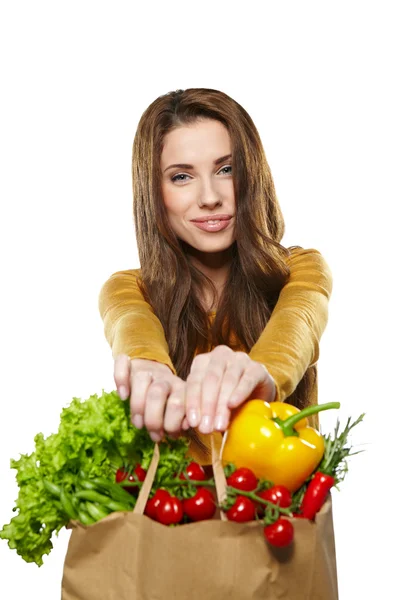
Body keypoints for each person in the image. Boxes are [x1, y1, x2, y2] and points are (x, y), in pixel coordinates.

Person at [98, 88, 333, 465]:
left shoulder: (299, 270)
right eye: (181, 177)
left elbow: (298, 324)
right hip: (168, 517)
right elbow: (130, 325)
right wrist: (148, 366)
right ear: (154, 192)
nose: (209, 196)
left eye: (226, 169)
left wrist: (262, 374)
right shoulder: (130, 288)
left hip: (278, 517)